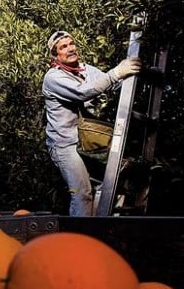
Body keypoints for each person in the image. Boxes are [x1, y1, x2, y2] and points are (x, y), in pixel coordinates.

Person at [42, 30, 141, 216]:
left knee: (110, 184)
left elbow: (110, 83)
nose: (70, 49)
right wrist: (117, 72)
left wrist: (131, 74)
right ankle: (79, 238)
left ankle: (99, 230)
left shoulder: (86, 69)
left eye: (71, 43)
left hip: (86, 142)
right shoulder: (53, 78)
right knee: (81, 193)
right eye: (63, 47)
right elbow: (83, 92)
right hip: (65, 145)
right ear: (55, 56)